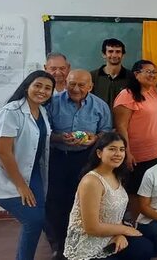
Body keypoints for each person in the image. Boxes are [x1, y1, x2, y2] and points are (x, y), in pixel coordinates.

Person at [0, 71, 54, 260]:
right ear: (27, 86)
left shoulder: (41, 111)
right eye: (38, 85)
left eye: (47, 88)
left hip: (34, 172)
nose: (42, 91)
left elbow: (40, 139)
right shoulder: (10, 112)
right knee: (33, 219)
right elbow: (3, 153)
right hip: (9, 175)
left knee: (36, 219)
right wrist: (21, 185)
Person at [45, 69, 113, 259]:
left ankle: (83, 243)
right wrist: (60, 138)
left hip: (86, 158)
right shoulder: (52, 103)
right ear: (65, 82)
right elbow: (44, 131)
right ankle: (59, 245)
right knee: (56, 202)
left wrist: (95, 138)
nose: (76, 89)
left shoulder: (100, 106)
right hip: (58, 157)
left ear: (90, 86)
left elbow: (107, 131)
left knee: (84, 202)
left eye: (81, 85)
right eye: (72, 83)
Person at [63, 132, 154, 260]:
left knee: (145, 247)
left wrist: (119, 234)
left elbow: (116, 215)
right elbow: (91, 227)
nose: (118, 154)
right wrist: (125, 230)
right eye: (112, 149)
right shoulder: (91, 181)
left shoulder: (117, 175)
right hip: (89, 243)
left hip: (111, 235)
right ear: (99, 153)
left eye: (122, 150)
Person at [113, 60, 157, 218]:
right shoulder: (127, 95)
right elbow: (121, 126)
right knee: (136, 193)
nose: (152, 75)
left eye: (154, 72)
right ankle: (135, 227)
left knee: (152, 193)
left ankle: (149, 225)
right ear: (136, 74)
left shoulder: (153, 91)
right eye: (148, 72)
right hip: (137, 156)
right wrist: (126, 152)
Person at [90, 38, 132, 109]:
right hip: (99, 119)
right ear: (104, 54)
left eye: (118, 52)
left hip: (124, 119)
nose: (114, 55)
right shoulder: (92, 76)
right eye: (110, 51)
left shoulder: (131, 77)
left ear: (123, 55)